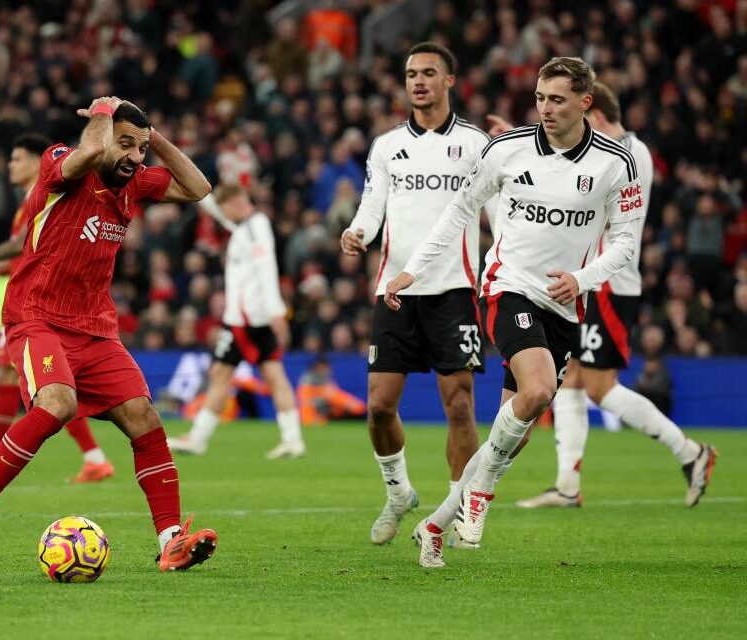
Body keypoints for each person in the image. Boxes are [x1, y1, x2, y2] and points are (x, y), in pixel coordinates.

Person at [385, 57, 645, 568]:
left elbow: (625, 244)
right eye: (541, 98)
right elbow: (460, 209)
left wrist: (582, 280)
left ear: (585, 103)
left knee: (518, 428)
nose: (545, 109)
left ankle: (435, 525)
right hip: (508, 286)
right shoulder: (507, 150)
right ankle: (479, 496)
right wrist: (413, 269)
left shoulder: (617, 163)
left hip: (566, 305)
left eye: (558, 100)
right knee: (539, 389)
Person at [0, 98, 218, 572]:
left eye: (140, 148)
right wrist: (101, 115)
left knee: (145, 418)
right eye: (126, 144)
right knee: (57, 402)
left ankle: (172, 540)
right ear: (101, 133)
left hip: (95, 327)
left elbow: (198, 187)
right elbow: (90, 153)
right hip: (37, 316)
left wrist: (151, 138)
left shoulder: (132, 183)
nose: (135, 157)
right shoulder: (59, 164)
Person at [495, 83, 716, 509]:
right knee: (572, 380)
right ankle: (567, 485)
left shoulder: (628, 154)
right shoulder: (617, 150)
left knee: (598, 386)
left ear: (592, 114)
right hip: (587, 280)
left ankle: (689, 451)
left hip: (610, 284)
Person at [338, 42, 490, 545]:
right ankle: (399, 492)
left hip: (453, 289)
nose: (418, 81)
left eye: (428, 73)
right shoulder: (386, 146)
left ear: (450, 80)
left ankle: (460, 509)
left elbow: (501, 206)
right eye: (410, 74)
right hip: (395, 291)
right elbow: (373, 204)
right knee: (379, 408)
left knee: (460, 405)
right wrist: (357, 232)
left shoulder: (475, 144)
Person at [0, 134, 114, 484]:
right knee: (20, 380)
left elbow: (22, 248)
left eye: (18, 158)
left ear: (39, 162)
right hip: (35, 304)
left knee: (48, 390)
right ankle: (90, 457)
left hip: (37, 309)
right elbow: (30, 254)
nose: (11, 164)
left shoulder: (48, 195)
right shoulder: (30, 201)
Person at [167, 183, 304, 459]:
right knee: (269, 374)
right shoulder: (245, 226)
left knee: (222, 374)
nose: (222, 215)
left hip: (246, 320)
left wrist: (276, 310)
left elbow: (266, 268)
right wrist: (190, 185)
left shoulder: (255, 227)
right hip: (252, 317)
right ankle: (293, 439)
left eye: (225, 208)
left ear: (237, 203)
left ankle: (197, 439)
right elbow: (218, 212)